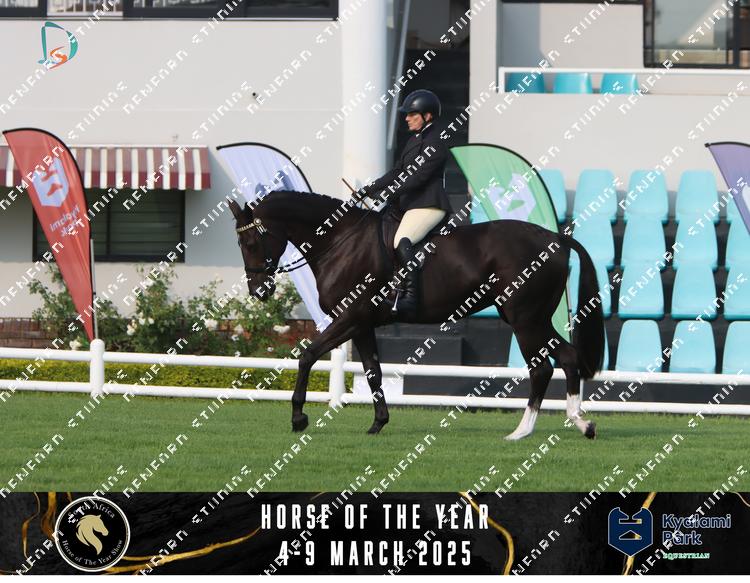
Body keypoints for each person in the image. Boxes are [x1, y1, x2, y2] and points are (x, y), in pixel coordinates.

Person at [359, 89, 452, 321]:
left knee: (402, 240)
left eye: (412, 114)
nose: (407, 118)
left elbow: (418, 178)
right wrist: (369, 189)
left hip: (429, 204)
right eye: (407, 114)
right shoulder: (414, 140)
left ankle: (411, 298)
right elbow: (397, 172)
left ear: (427, 116)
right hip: (410, 204)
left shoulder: (436, 142)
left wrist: (389, 193)